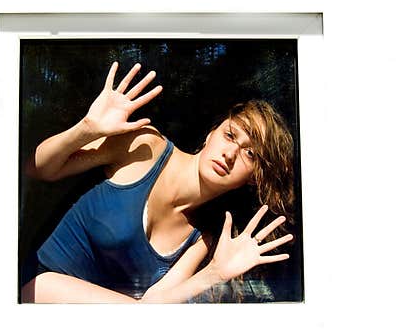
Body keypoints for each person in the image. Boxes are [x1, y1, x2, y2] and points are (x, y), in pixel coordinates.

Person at [21, 62, 296, 303]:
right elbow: (38, 169)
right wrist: (85, 129)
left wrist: (215, 273)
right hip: (28, 296)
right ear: (211, 134)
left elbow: (154, 304)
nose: (230, 153)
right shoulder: (146, 147)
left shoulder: (203, 237)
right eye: (230, 135)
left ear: (254, 179)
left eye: (250, 154)